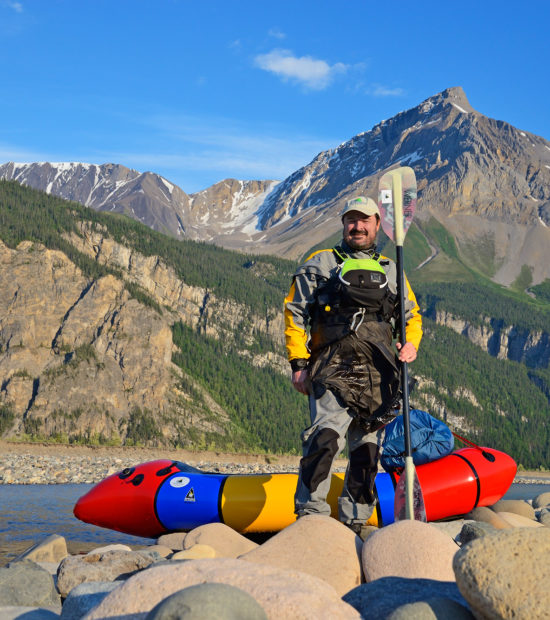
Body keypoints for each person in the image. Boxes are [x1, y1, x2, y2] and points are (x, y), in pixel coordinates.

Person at [284, 195, 422, 537]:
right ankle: (311, 516)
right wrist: (298, 362)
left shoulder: (393, 269)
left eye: (364, 220)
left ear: (378, 224)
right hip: (330, 366)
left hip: (380, 372)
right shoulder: (320, 263)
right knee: (324, 439)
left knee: (367, 449)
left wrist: (411, 343)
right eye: (351, 220)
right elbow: (294, 312)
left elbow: (411, 316)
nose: (357, 226)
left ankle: (357, 519)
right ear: (343, 223)